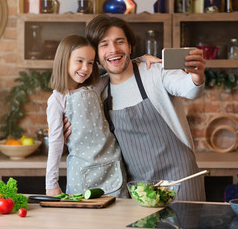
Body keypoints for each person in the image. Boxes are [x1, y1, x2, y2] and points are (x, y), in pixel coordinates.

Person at [65, 15, 207, 201]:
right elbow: (71, 99)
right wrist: (63, 129)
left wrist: (197, 77)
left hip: (181, 179)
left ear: (130, 46)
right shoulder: (99, 90)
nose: (113, 49)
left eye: (120, 42)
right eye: (104, 44)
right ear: (96, 55)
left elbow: (189, 88)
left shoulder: (155, 71)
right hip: (138, 186)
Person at [45, 34, 160, 197]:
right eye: (79, 61)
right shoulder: (57, 100)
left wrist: (139, 59)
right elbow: (56, 142)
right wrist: (51, 184)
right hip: (82, 175)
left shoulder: (94, 87)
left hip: (113, 169)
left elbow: (117, 69)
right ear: (64, 60)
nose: (85, 68)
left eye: (90, 63)